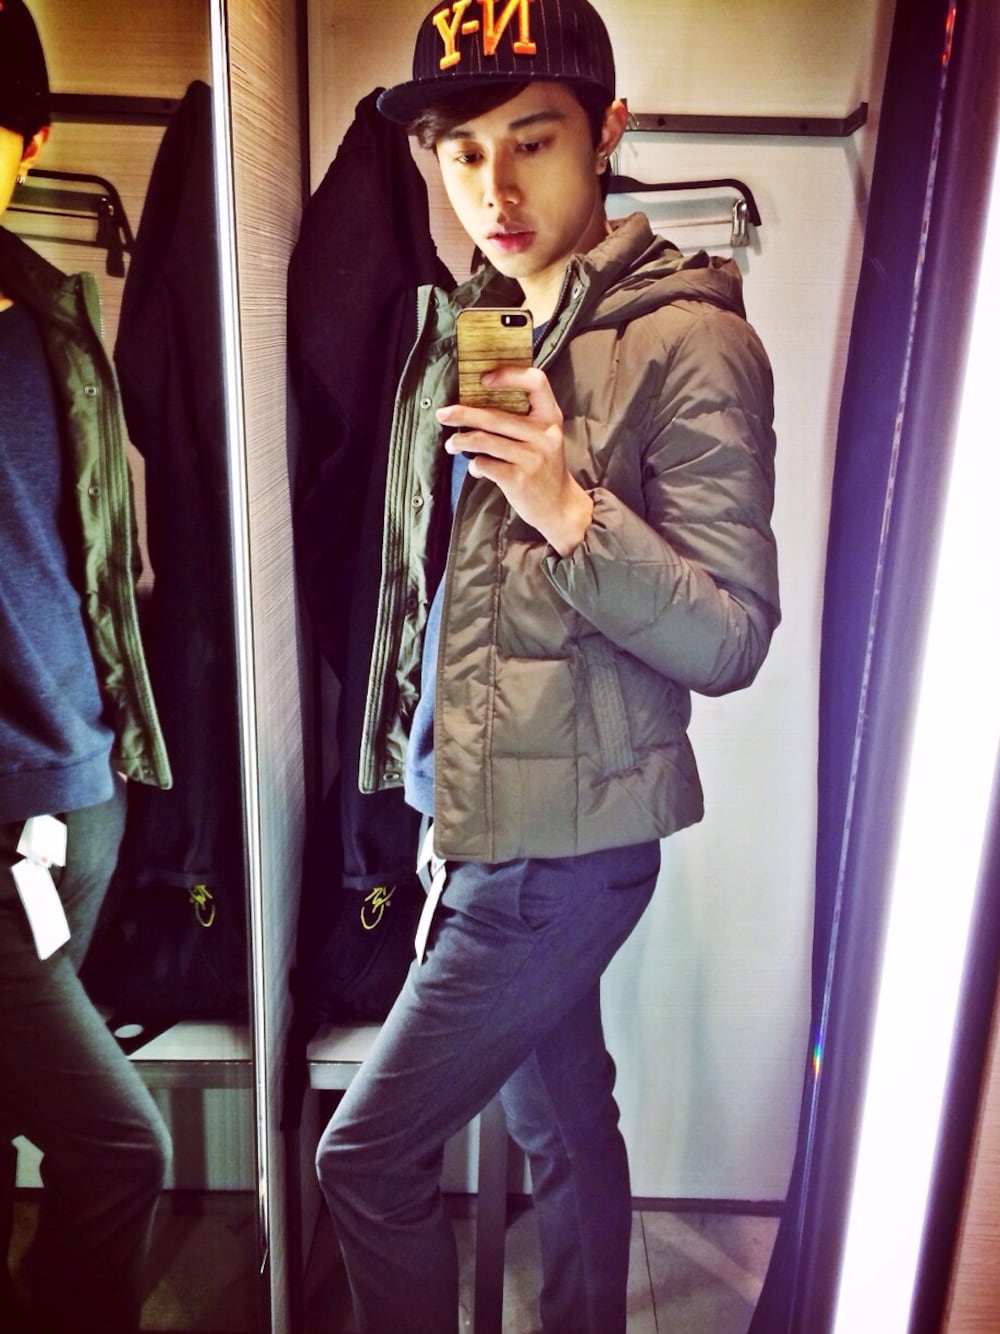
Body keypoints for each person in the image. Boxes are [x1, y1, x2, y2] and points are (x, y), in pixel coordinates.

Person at [315, 1, 780, 1330]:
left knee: (366, 1160)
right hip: (484, 827)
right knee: (566, 1127)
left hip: (554, 861)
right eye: (463, 152)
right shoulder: (487, 320)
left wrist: (572, 511)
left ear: (607, 132)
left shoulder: (692, 340)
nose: (495, 189)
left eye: (534, 140)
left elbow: (730, 634)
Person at [0, 3, 173, 1329]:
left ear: (32, 140)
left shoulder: (54, 317)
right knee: (121, 1147)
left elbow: (96, 557)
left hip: (76, 804)